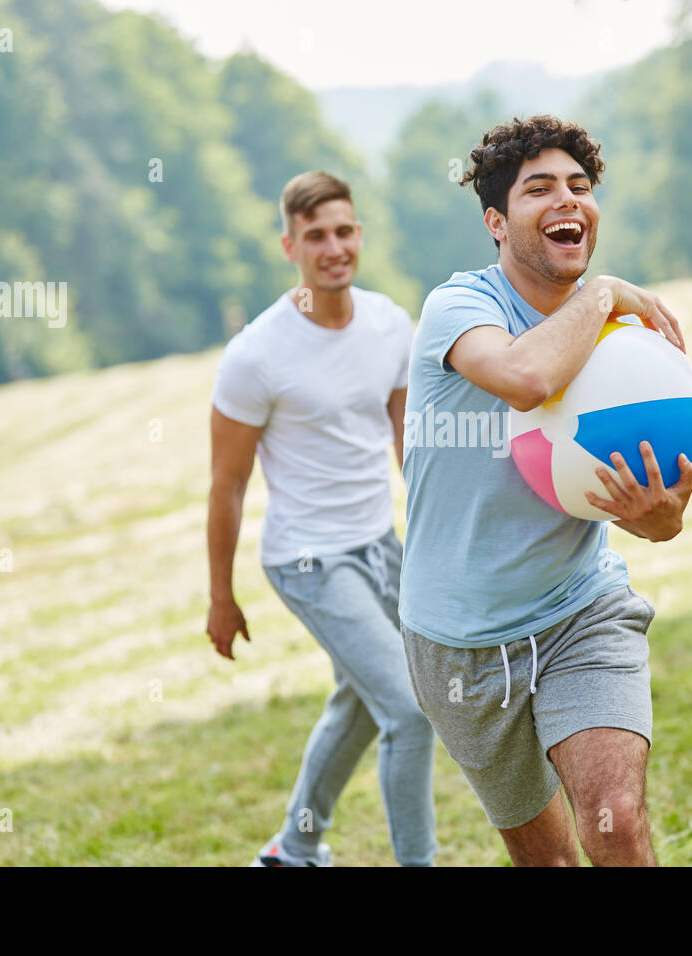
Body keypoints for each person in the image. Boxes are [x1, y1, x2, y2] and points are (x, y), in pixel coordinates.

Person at [398, 115, 692, 867]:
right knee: (550, 861)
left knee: (616, 821)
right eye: (540, 189)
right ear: (496, 222)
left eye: (580, 186)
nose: (568, 200)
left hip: (578, 610)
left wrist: (662, 521)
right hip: (458, 644)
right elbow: (526, 380)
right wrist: (601, 295)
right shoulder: (460, 308)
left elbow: (647, 516)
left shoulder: (616, 343)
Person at [206, 170, 436, 867]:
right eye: (315, 236)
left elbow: (410, 446)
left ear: (358, 235)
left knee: (362, 700)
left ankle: (294, 848)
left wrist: (436, 540)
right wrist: (222, 595)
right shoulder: (256, 354)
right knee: (409, 707)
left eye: (343, 231)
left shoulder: (390, 323)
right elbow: (227, 483)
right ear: (290, 246)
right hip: (307, 558)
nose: (332, 247)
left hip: (379, 545)